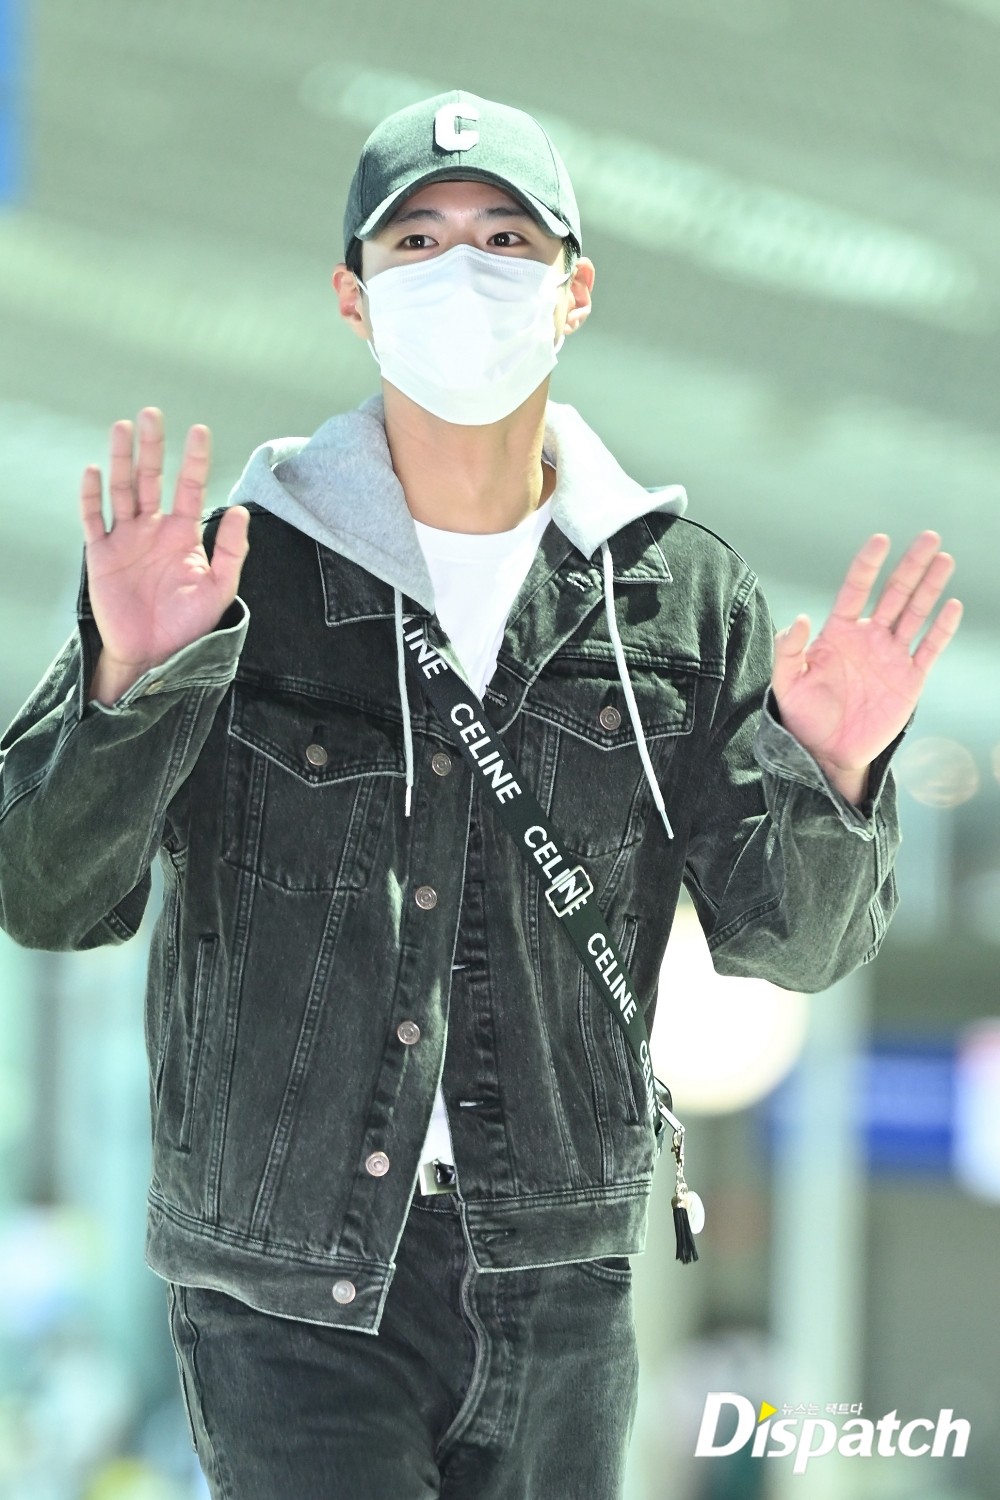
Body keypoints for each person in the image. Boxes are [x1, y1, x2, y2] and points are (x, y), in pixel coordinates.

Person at [0, 89, 961, 1500]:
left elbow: (790, 941)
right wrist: (131, 686)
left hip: (561, 1281)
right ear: (353, 294)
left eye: (507, 238)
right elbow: (45, 889)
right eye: (420, 242)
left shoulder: (677, 594)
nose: (465, 272)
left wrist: (835, 768)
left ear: (574, 290)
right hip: (286, 1289)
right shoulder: (233, 574)